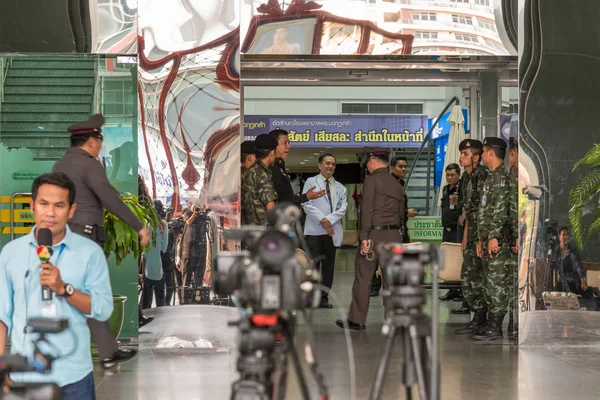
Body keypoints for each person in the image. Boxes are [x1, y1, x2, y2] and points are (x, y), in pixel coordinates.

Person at [0, 173, 113, 399]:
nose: (50, 213)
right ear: (32, 205)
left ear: (71, 210)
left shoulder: (90, 253)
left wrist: (64, 289)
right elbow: (3, 316)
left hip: (74, 377)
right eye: (43, 204)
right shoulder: (11, 253)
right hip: (25, 379)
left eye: (59, 205)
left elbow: (103, 308)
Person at [52, 113, 144, 368]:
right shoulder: (91, 165)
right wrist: (139, 226)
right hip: (85, 236)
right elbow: (110, 198)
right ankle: (101, 351)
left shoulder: (59, 166)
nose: (100, 146)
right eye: (99, 141)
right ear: (91, 141)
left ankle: (104, 350)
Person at [335, 149, 405, 330]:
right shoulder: (397, 183)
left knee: (363, 277)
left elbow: (366, 211)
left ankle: (357, 320)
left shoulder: (371, 180)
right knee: (392, 280)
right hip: (394, 236)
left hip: (374, 236)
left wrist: (364, 237)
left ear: (373, 160)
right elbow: (401, 213)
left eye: (368, 161)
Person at [472, 137, 517, 341]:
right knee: (490, 282)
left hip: (498, 240)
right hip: (489, 238)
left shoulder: (501, 178)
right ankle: (492, 323)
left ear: (491, 152)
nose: (480, 156)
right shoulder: (492, 177)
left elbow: (501, 212)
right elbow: (486, 213)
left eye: (483, 151)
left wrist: (493, 236)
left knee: (497, 282)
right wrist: (482, 238)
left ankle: (496, 326)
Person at [302, 154, 348, 309]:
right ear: (319, 165)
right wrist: (323, 221)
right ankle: (310, 297)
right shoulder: (310, 182)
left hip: (332, 232)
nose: (331, 166)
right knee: (313, 266)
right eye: (327, 163)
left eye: (333, 164)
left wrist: (329, 221)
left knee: (328, 267)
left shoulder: (340, 187)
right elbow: (307, 204)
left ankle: (323, 298)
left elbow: (343, 208)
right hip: (314, 232)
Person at [453, 139, 489, 331]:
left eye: (465, 154)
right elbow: (468, 211)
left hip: (483, 229)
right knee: (468, 275)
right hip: (472, 228)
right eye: (461, 153)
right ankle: (478, 315)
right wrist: (466, 237)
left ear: (476, 157)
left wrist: (482, 238)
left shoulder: (482, 175)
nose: (461, 156)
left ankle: (482, 318)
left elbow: (486, 210)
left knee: (479, 274)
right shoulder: (466, 178)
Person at [370, 155, 418, 297]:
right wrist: (405, 212)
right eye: (400, 166)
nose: (403, 169)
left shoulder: (399, 183)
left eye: (405, 166)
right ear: (391, 168)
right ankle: (376, 287)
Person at [268, 128, 325, 205]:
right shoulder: (270, 168)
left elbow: (287, 198)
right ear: (274, 145)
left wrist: (307, 196)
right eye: (285, 143)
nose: (289, 146)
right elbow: (283, 200)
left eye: (289, 143)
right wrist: (306, 197)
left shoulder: (280, 166)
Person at [241, 133, 279, 226]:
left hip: (248, 231)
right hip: (263, 232)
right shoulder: (262, 174)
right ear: (272, 152)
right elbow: (270, 207)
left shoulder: (247, 172)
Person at [142, 202, 169, 309]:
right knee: (160, 297)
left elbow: (143, 248)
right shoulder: (164, 224)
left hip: (147, 263)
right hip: (159, 263)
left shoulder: (146, 224)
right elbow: (164, 247)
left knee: (146, 297)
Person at [440, 163, 462, 243]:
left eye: (452, 175)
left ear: (459, 175)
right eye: (447, 175)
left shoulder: (462, 188)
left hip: (457, 230)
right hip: (446, 230)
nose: (449, 177)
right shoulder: (445, 189)